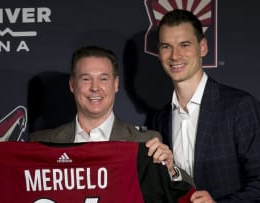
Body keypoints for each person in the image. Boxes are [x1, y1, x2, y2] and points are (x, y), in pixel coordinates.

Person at [29, 46, 191, 183]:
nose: (95, 88)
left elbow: (184, 192)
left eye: (103, 79)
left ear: (115, 84)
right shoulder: (40, 143)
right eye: (86, 79)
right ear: (72, 85)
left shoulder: (145, 143)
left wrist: (171, 169)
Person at [151, 9, 260, 202]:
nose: (175, 56)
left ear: (202, 47)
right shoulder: (160, 119)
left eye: (185, 45)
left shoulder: (238, 106)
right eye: (166, 46)